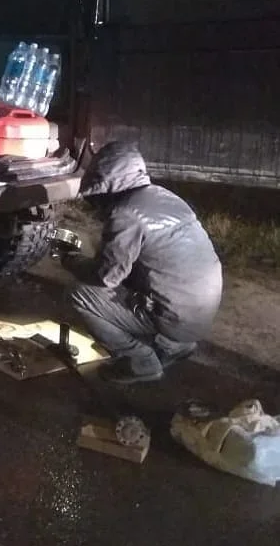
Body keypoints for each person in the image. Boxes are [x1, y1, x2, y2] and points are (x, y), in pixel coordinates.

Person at [62, 141, 223, 385]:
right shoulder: (166, 197)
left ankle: (140, 360)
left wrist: (71, 260)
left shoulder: (126, 215)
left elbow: (107, 277)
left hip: (177, 318)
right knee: (122, 263)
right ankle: (174, 346)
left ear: (108, 185)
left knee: (79, 294)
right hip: (200, 313)